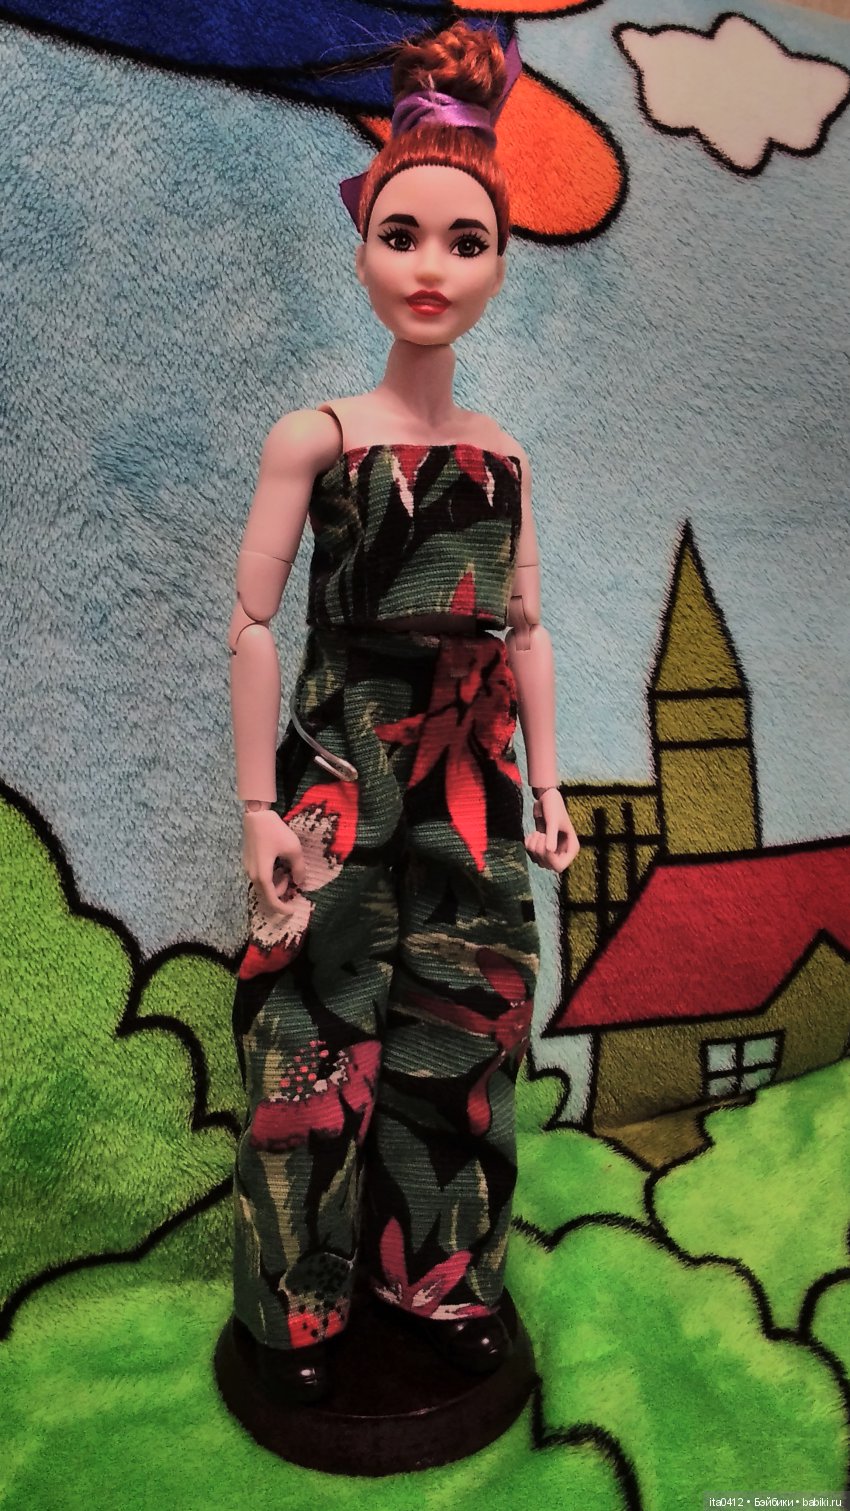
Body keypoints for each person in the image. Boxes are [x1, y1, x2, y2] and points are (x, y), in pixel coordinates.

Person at [227, 18, 580, 1407]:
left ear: (500, 261)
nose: (431, 267)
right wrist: (258, 806)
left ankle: (441, 1280)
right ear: (363, 244)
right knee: (306, 1040)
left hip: (475, 778)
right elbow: (254, 625)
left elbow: (527, 628)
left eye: (465, 241)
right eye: (403, 234)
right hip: (339, 764)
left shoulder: (505, 457)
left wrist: (548, 785)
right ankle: (297, 1303)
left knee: (468, 1034)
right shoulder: (315, 437)